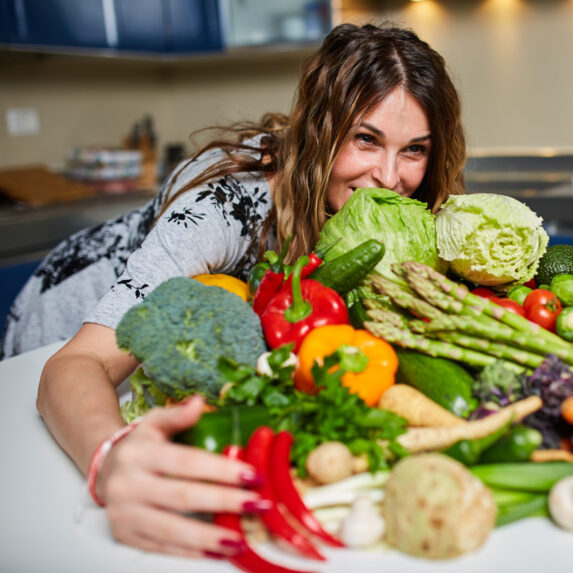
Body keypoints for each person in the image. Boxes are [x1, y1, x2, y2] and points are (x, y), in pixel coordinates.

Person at [20, 23, 466, 560]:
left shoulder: (398, 213)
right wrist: (111, 458)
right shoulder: (227, 205)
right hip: (61, 311)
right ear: (320, 130)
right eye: (365, 139)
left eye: (414, 149)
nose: (389, 176)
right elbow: (75, 364)